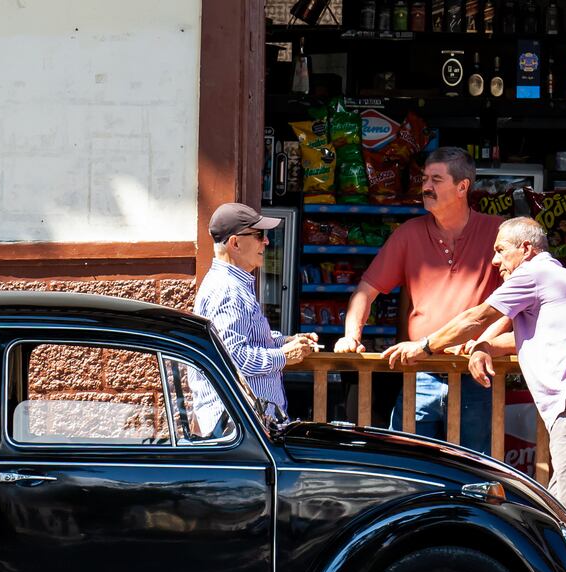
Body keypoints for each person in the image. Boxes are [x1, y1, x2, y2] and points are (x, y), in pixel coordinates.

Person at [386, 215, 566, 572]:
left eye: (500, 251)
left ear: (526, 249)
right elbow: (518, 337)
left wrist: (424, 345)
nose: (494, 260)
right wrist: (483, 347)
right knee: (563, 515)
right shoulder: (558, 278)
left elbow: (478, 315)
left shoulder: (534, 273)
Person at [333, 148, 502, 451]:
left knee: (475, 472)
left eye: (436, 180)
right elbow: (365, 291)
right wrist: (350, 335)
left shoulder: (497, 232)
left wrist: (485, 342)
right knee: (409, 465)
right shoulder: (408, 233)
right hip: (420, 372)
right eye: (425, 178)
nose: (426, 187)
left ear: (463, 187)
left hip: (474, 375)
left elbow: (515, 305)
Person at [195, 201, 317, 420]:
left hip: (242, 424)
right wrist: (283, 356)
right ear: (235, 243)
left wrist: (285, 341)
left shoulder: (230, 284)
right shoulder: (228, 290)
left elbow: (245, 340)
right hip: (239, 425)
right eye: (259, 235)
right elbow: (233, 357)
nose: (267, 241)